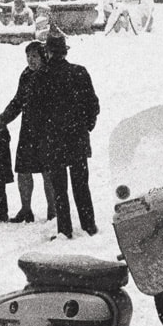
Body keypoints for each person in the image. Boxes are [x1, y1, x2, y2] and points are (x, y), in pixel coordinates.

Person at [36, 34, 101, 239]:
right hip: (77, 138)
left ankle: (65, 229)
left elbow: (36, 113)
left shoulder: (40, 77)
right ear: (65, 52)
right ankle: (89, 225)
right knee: (81, 185)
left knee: (59, 189)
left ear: (48, 52)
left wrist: (44, 135)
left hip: (53, 140)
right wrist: (85, 127)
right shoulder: (79, 72)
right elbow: (93, 105)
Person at [0, 41, 57, 223]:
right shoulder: (26, 75)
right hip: (28, 130)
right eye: (28, 56)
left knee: (49, 173)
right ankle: (26, 210)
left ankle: (53, 212)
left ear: (43, 57)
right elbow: (18, 101)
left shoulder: (50, 75)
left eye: (34, 56)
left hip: (47, 131)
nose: (31, 60)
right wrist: (3, 118)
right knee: (23, 171)